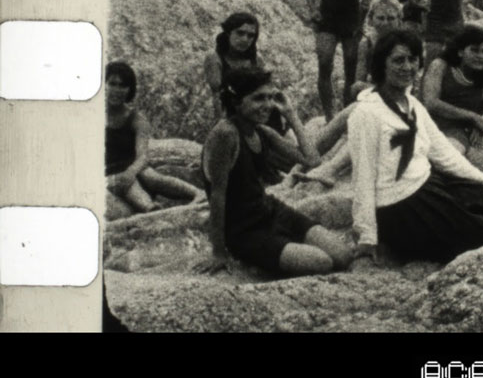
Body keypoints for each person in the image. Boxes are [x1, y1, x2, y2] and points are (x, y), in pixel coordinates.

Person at [348, 29, 483, 267]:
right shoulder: (366, 112)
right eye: (398, 60)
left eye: (412, 60)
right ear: (382, 64)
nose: (407, 67)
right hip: (403, 208)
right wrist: (367, 236)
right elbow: (363, 175)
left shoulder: (411, 104)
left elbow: (445, 154)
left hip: (429, 186)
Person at [196, 68, 352, 276]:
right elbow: (217, 195)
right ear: (236, 102)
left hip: (271, 212)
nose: (268, 105)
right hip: (245, 232)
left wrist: (290, 113)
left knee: (343, 256)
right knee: (321, 263)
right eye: (259, 98)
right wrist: (218, 252)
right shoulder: (226, 134)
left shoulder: (261, 131)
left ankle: (284, 246)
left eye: (270, 98)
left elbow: (312, 159)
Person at [106, 62, 205, 216]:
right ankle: (150, 209)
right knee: (120, 183)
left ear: (129, 89)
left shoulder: (136, 119)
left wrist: (130, 173)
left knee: (148, 176)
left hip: (133, 171)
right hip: (107, 176)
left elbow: (143, 156)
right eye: (112, 84)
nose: (117, 90)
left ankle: (197, 193)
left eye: (122, 86)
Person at [421, 25, 483, 153]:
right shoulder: (440, 66)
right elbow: (431, 103)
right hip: (424, 125)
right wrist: (473, 117)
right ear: (460, 52)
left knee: (449, 155)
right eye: (474, 50)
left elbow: (478, 115)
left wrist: (477, 127)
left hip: (455, 132)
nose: (480, 56)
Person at [351, 0, 406, 98]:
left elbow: (405, 85)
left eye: (391, 18)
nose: (385, 23)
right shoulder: (366, 44)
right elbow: (358, 83)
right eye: (381, 18)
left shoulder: (404, 43)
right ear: (371, 20)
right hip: (374, 93)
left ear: (399, 20)